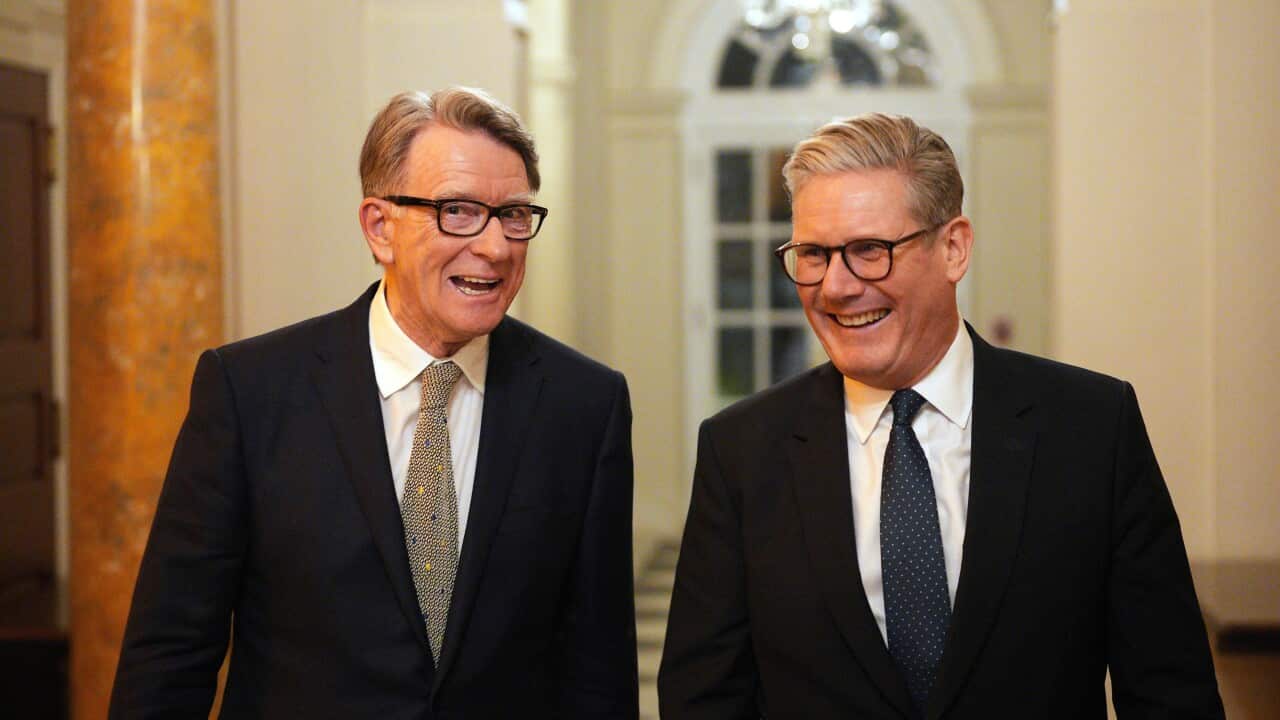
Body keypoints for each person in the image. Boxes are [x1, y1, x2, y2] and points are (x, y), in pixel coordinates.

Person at [658, 113, 1223, 719]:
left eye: (870, 250)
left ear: (953, 248)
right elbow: (704, 699)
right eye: (815, 254)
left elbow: (1170, 691)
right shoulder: (742, 450)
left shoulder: (1091, 428)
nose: (837, 287)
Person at [110, 87, 638, 718]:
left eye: (515, 215)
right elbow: (170, 655)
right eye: (460, 212)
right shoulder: (250, 392)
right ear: (380, 227)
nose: (496, 247)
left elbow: (598, 671)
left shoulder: (584, 405)